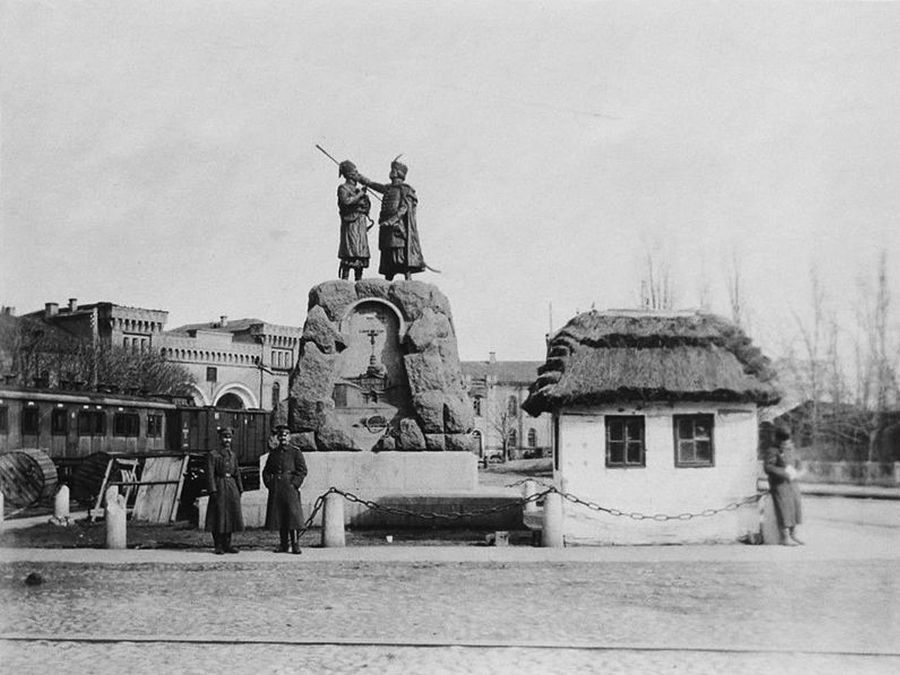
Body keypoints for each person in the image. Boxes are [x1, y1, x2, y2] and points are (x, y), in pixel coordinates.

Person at [356, 157, 426, 280]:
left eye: (393, 169)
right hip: (385, 226)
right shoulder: (388, 188)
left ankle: (407, 275)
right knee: (387, 253)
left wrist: (392, 221)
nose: (391, 172)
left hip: (397, 226)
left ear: (398, 172)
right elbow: (372, 184)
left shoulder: (405, 189)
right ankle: (389, 277)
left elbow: (404, 208)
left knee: (400, 252)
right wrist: (360, 178)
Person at [262, 424, 308, 554]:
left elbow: (302, 470)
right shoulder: (273, 453)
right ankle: (283, 544)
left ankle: (295, 544)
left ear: (290, 437)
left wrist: (294, 484)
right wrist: (269, 484)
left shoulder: (295, 452)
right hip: (277, 488)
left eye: (286, 435)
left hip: (290, 488)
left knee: (292, 517)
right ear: (278, 437)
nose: (283, 437)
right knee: (280, 517)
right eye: (281, 435)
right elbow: (266, 471)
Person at [204, 427, 244, 554]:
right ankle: (218, 545)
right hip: (219, 486)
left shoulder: (233, 455)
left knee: (231, 515)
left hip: (231, 487)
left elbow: (237, 472)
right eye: (224, 437)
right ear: (220, 438)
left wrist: (240, 489)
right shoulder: (213, 454)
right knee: (218, 516)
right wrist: (213, 490)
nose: (227, 440)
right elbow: (210, 474)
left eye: (229, 437)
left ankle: (228, 544)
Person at [764, 426, 804, 546]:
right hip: (779, 484)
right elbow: (768, 467)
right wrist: (784, 472)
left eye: (786, 440)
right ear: (777, 439)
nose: (785, 443)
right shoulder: (772, 450)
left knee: (795, 507)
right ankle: (784, 537)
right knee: (784, 508)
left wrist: (798, 471)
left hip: (793, 483)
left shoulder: (791, 449)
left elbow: (798, 463)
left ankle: (793, 534)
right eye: (783, 441)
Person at [336, 160, 372, 281]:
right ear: (349, 174)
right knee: (350, 252)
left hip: (360, 223)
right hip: (350, 223)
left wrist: (365, 200)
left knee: (360, 253)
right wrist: (359, 195)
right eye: (355, 171)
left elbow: (366, 207)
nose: (357, 173)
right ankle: (345, 280)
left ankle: (359, 280)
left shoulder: (358, 190)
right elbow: (346, 202)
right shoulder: (343, 188)